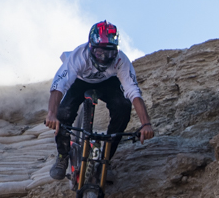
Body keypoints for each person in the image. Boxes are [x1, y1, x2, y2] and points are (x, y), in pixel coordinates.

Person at [46, 21, 154, 179]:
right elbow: (59, 85)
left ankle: (105, 161)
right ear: (90, 47)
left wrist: (146, 124)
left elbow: (133, 92)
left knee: (123, 108)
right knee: (63, 114)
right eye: (99, 53)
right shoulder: (79, 56)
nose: (104, 58)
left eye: (109, 53)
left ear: (115, 51)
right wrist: (51, 114)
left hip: (108, 83)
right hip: (80, 81)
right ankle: (62, 156)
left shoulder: (121, 60)